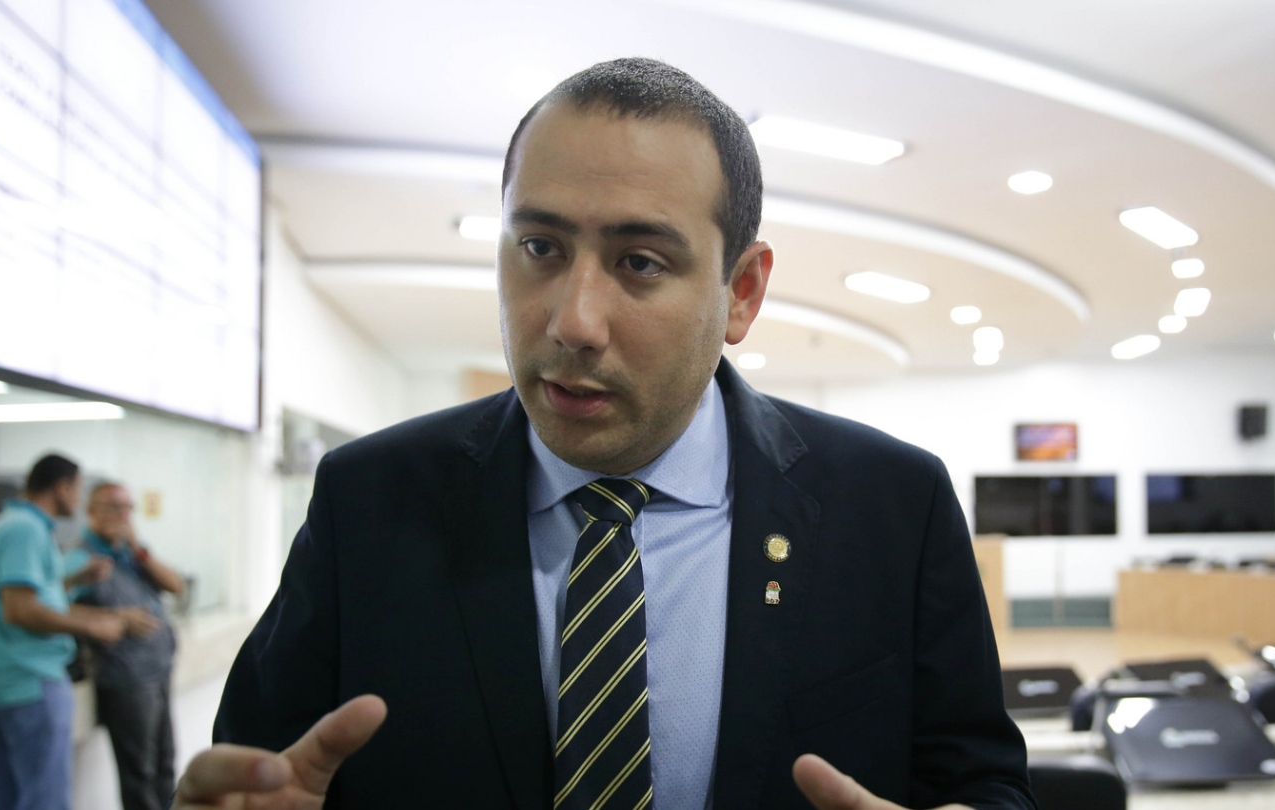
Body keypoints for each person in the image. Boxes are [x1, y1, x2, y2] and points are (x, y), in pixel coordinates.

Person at [177, 59, 1034, 810]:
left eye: (640, 263)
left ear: (741, 292)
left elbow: (984, 781)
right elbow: (265, 769)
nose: (574, 322)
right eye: (540, 248)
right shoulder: (368, 502)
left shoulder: (892, 508)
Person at [0, 454, 157, 810]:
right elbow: (19, 608)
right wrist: (94, 624)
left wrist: (75, 580)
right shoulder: (24, 529)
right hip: (31, 682)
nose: (78, 501)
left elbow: (33, 598)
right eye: (78, 490)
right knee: (44, 800)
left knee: (16, 796)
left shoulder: (14, 525)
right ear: (62, 488)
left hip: (12, 683)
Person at [70, 482, 184, 810]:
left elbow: (175, 585)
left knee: (165, 763)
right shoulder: (80, 558)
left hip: (158, 670)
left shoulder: (132, 553)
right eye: (112, 507)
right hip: (126, 679)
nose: (121, 515)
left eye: (126, 508)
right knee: (140, 774)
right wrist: (117, 617)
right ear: (91, 511)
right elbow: (59, 608)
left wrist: (139, 550)